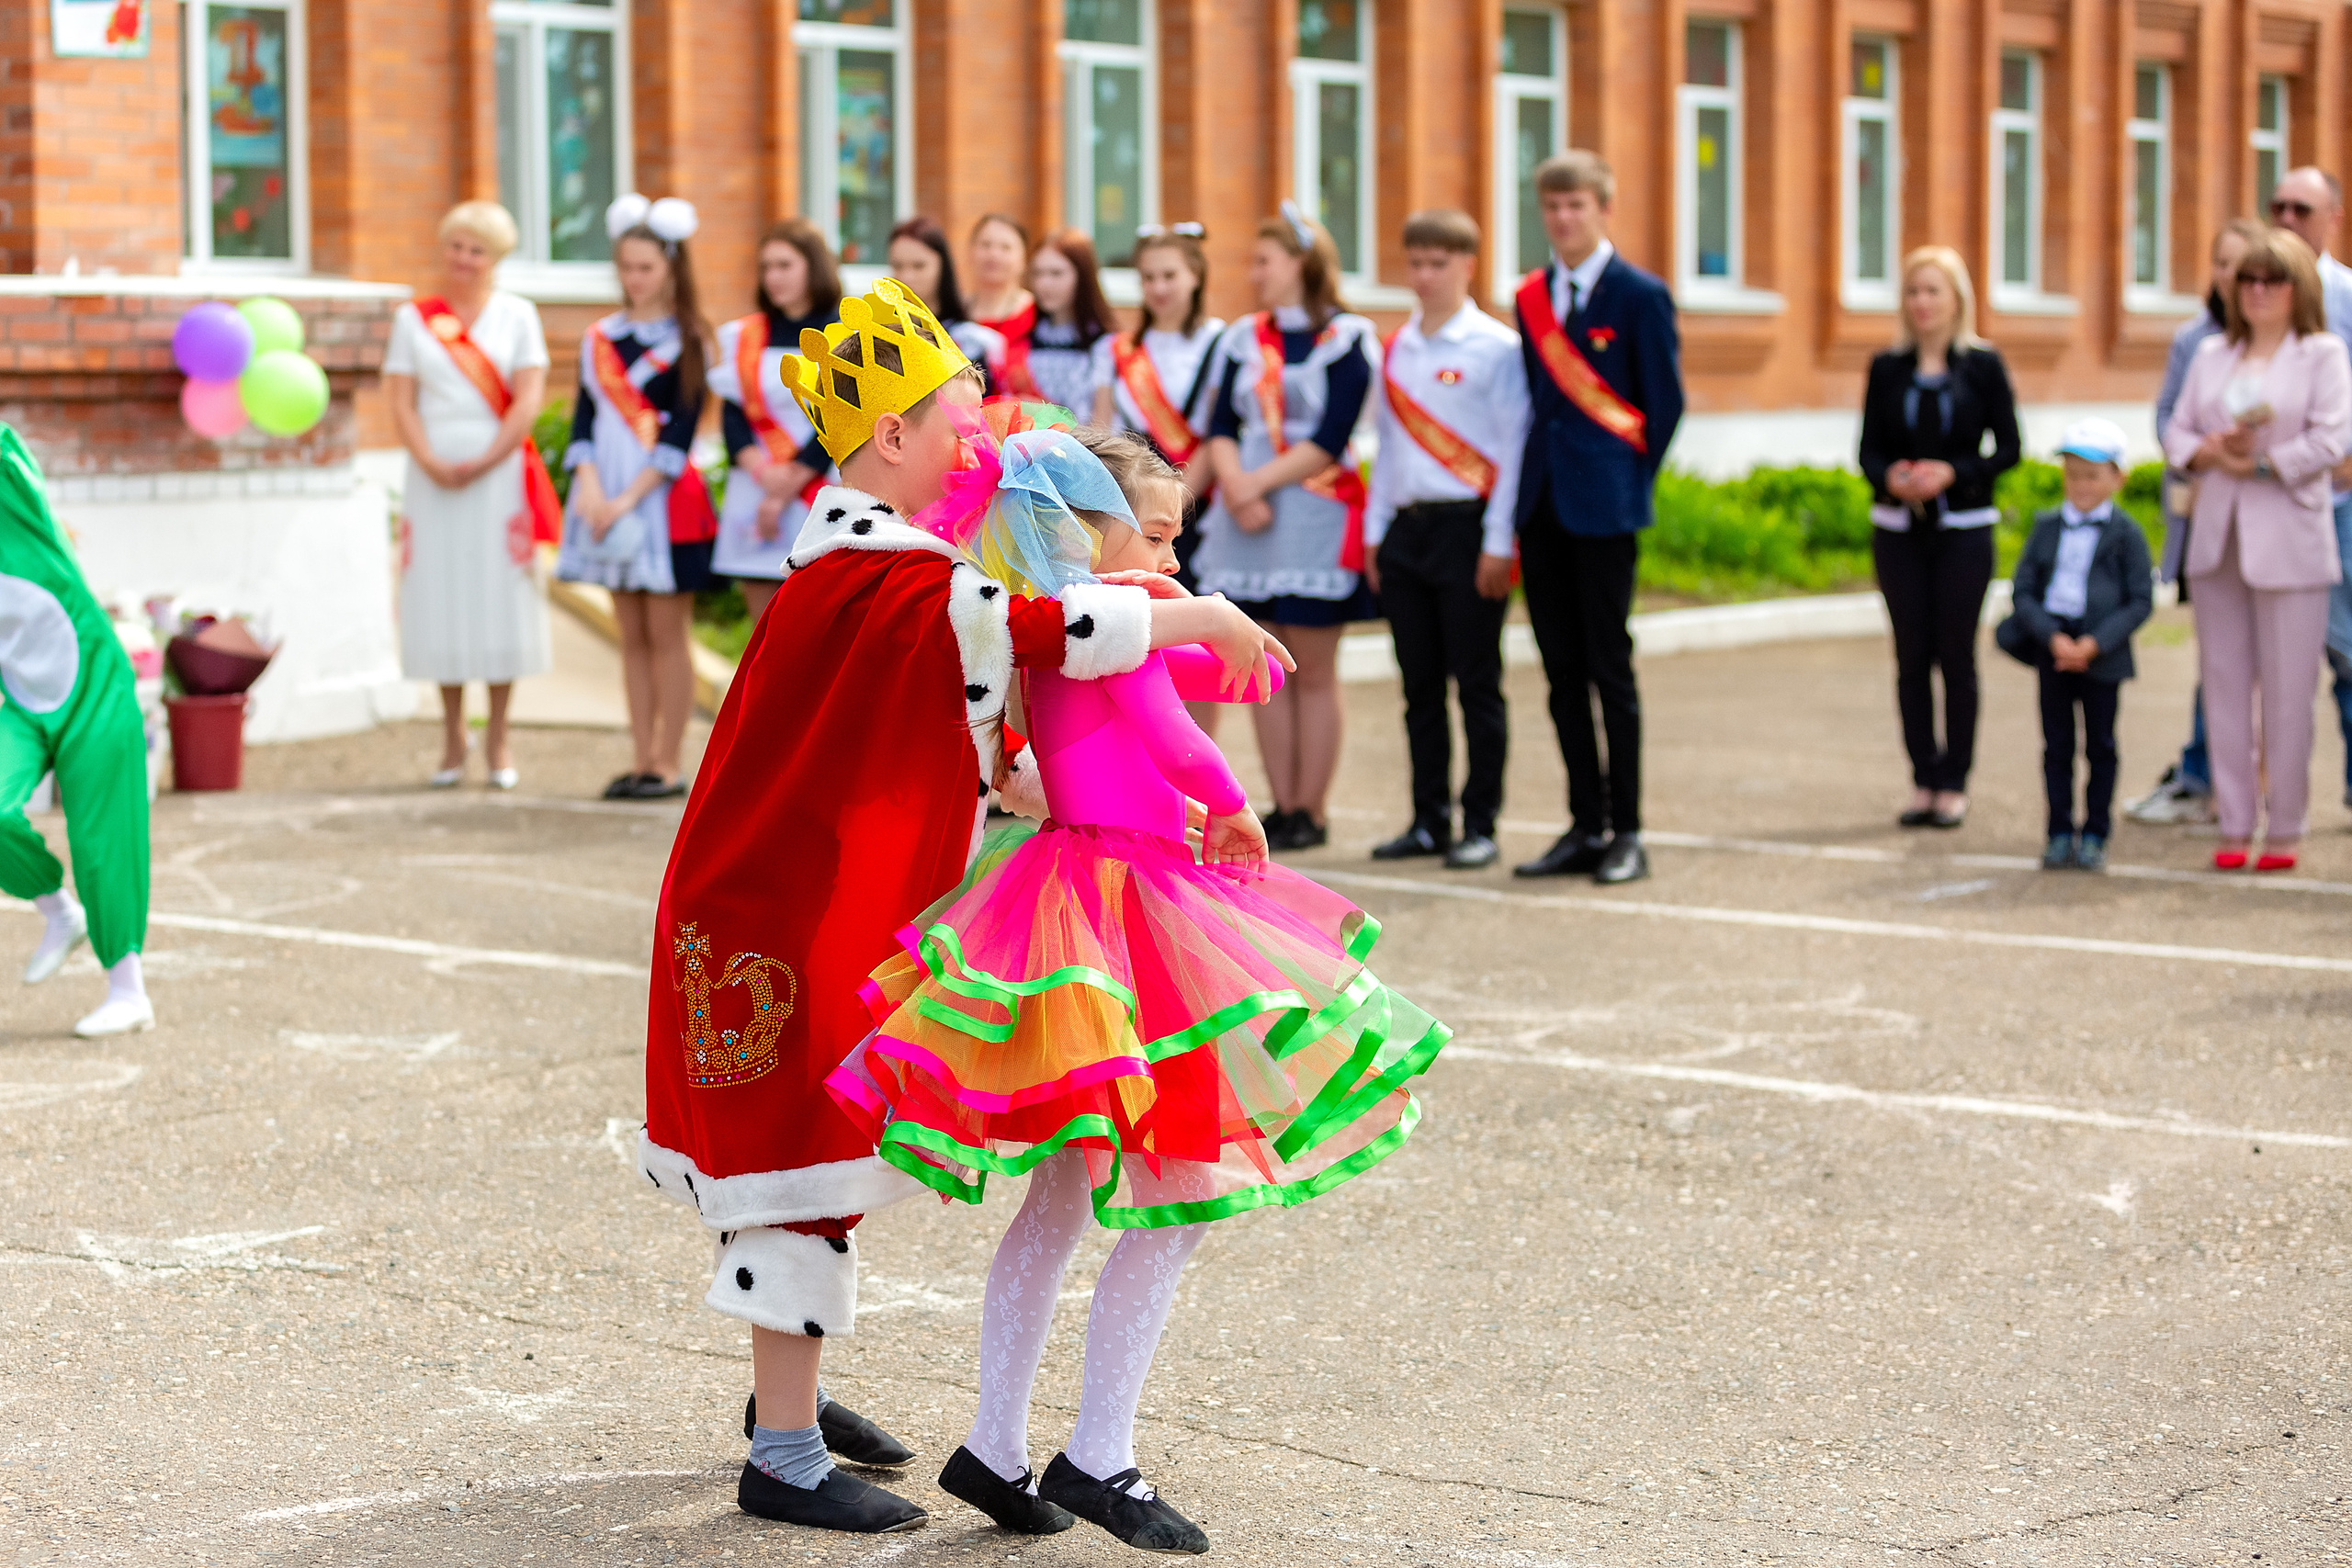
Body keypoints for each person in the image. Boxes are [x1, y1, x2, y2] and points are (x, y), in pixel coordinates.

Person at [636, 276, 1293, 1534]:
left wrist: (1036, 783)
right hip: (784, 911)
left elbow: (952, 704)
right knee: (796, 1162)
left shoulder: (866, 567)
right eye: (953, 416)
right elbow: (1026, 628)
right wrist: (1188, 609)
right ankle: (780, 1447)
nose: (975, 437)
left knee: (805, 1146)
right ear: (893, 436)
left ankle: (791, 1393)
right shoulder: (885, 573)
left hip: (791, 891)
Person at [828, 427, 1447, 1554]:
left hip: (1070, 903)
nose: (1166, 554)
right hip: (1132, 912)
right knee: (1176, 1199)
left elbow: (1188, 671)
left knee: (1061, 1201)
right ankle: (1096, 1453)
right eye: (1152, 531)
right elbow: (1168, 727)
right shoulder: (1105, 628)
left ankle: (996, 1445)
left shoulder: (1064, 630)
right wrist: (1232, 796)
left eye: (1175, 534)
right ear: (1089, 529)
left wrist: (1219, 628)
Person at [1508, 151, 1683, 886]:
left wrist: (1625, 482)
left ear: (1603, 209)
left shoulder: (1640, 295)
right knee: (1560, 672)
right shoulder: (1532, 297)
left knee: (1610, 668)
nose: (1563, 218)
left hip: (1606, 509)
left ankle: (1628, 828)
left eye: (1576, 205)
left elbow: (1663, 403)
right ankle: (1584, 822)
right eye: (1552, 206)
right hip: (1544, 503)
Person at [2164, 227, 2351, 873]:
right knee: (2222, 685)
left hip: (2292, 540)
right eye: (2248, 279)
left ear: (2299, 287)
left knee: (2288, 692)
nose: (2259, 291)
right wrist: (2212, 451)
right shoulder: (2213, 352)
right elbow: (2176, 428)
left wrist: (2264, 464)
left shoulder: (2322, 353)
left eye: (2273, 279)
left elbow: (2332, 440)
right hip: (2220, 538)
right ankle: (2235, 818)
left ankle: (2286, 826)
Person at [1193, 204, 1377, 851]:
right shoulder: (1243, 337)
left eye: (1264, 260)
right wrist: (1234, 486)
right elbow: (1219, 426)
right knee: (1265, 665)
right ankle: (1281, 803)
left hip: (1311, 512)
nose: (1255, 272)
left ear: (1300, 264)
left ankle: (1312, 807)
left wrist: (1253, 482)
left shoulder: (1349, 337)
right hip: (1249, 520)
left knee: (1315, 665)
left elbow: (1331, 438)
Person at [1363, 209, 1528, 872]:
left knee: (1477, 683)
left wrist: (1498, 541)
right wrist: (1377, 533)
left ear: (1468, 266)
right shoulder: (1398, 345)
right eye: (1417, 263)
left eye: (1439, 264)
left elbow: (1513, 450)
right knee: (1418, 685)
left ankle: (1480, 821)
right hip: (1407, 529)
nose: (1425, 276)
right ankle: (1428, 818)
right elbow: (1391, 444)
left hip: (1468, 528)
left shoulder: (1497, 348)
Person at [382, 199, 555, 791]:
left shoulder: (517, 316)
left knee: (497, 593)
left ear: (496, 258)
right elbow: (401, 400)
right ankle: (453, 731)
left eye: (475, 250)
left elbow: (529, 398)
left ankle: (500, 732)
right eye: (455, 245)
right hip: (431, 473)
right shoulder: (415, 319)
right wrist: (429, 459)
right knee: (440, 591)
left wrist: (487, 458)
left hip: (497, 471)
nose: (463, 258)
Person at [553, 194, 717, 801]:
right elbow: (584, 420)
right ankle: (640, 754)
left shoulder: (688, 338)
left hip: (660, 502)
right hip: (603, 498)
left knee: (666, 633)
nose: (634, 278)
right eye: (625, 266)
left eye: (645, 267)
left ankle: (669, 761)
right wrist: (591, 489)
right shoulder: (601, 337)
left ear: (672, 267)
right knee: (631, 633)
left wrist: (627, 500)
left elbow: (680, 429)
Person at [1857, 245, 2021, 832]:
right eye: (1913, 292)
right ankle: (1922, 777)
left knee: (1956, 655)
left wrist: (1954, 472)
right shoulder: (1886, 368)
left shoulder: (1983, 365)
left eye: (1934, 291)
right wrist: (1893, 479)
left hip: (1963, 530)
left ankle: (1955, 780)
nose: (1922, 303)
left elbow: (2009, 448)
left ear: (1957, 300)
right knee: (1910, 655)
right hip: (1899, 531)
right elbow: (1867, 450)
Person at [0, 427, 153, 1038]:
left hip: (94, 682)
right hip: (25, 702)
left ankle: (129, 989)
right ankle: (57, 909)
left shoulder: (14, 495)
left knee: (102, 838)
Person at [2127, 220, 2265, 827]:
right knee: (2220, 658)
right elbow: (2168, 418)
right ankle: (2207, 777)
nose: (2232, 276)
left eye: (2244, 263)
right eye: (2223, 262)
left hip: (2269, 521)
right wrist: (2199, 450)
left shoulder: (2288, 342)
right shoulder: (2194, 341)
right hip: (2204, 517)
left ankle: (2250, 782)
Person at [2001, 420, 2154, 873]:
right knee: (2057, 745)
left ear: (2117, 478)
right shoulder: (2047, 525)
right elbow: (2024, 589)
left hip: (2100, 655)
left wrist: (2094, 643)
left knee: (2101, 744)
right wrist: (2051, 636)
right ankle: (2059, 830)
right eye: (2073, 475)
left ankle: (2096, 833)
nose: (2081, 485)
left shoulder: (2127, 534)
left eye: (2093, 475)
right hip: (2055, 649)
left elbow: (2140, 600)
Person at [2266, 166, 2352, 815]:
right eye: (2279, 206)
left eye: (2302, 207)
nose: (2288, 218)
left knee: (2348, 652)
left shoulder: (2347, 297)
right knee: (2262, 660)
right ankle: (2237, 790)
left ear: (2332, 218)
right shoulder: (2253, 297)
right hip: (2265, 505)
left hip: (2342, 503)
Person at [708, 219, 841, 623]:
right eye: (767, 267)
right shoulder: (745, 335)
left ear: (813, 266)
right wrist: (761, 474)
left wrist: (788, 485)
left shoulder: (844, 332)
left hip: (818, 489)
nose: (773, 277)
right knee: (760, 630)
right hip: (755, 482)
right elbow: (733, 410)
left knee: (816, 624)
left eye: (785, 265)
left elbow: (842, 414)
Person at [888, 216, 1005, 387]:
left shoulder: (971, 340)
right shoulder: (876, 334)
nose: (906, 277)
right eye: (897, 266)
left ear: (943, 266)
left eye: (919, 266)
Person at [1020, 231, 1118, 415]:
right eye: (1038, 273)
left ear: (1082, 276)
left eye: (1056, 273)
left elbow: (1102, 425)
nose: (1044, 283)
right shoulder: (1024, 333)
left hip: (1085, 443)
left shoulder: (1104, 343)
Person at [966, 211, 1035, 377]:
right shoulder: (954, 313)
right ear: (970, 252)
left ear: (1024, 259)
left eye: (1006, 247)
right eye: (986, 245)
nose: (994, 254)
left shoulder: (1039, 314)